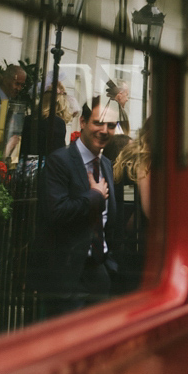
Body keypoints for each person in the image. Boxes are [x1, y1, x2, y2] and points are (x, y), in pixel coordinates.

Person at [30, 97, 122, 313]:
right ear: (82, 122)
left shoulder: (106, 164)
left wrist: (109, 264)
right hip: (68, 280)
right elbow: (56, 212)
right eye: (98, 123)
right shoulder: (60, 161)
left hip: (99, 273)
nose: (104, 130)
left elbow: (111, 221)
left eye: (110, 125)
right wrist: (94, 197)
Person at [112, 122, 153, 293]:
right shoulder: (144, 160)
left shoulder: (129, 154)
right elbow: (149, 208)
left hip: (122, 234)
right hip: (139, 238)